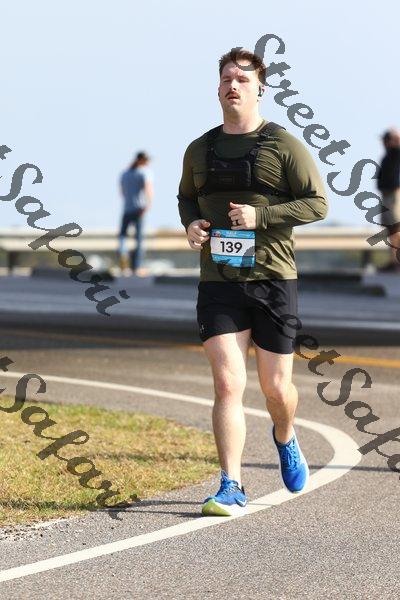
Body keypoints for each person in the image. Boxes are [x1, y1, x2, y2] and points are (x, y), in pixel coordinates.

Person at [177, 48, 328, 516]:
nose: (233, 85)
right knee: (227, 384)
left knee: (276, 389)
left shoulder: (283, 145)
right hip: (218, 282)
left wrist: (261, 217)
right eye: (226, 78)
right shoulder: (198, 148)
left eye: (242, 79)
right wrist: (191, 224)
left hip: (273, 280)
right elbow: (186, 198)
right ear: (217, 88)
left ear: (260, 88)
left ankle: (285, 435)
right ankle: (231, 484)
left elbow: (317, 203)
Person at [119, 151, 154, 276]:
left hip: (127, 208)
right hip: (139, 209)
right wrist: (148, 205)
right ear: (142, 160)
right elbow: (148, 189)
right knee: (138, 239)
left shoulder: (125, 173)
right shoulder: (144, 172)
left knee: (123, 237)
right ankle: (136, 267)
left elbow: (122, 192)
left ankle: (123, 262)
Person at [377, 129, 400, 272]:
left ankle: (396, 262)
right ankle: (394, 261)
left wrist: (396, 138)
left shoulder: (396, 153)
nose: (384, 143)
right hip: (386, 195)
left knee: (396, 228)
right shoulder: (388, 155)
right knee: (390, 229)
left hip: (393, 195)